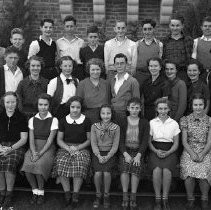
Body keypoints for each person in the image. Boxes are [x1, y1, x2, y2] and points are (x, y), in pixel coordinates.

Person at [52, 96, 91, 208]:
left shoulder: (86, 121)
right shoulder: (63, 120)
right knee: (61, 163)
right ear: (69, 107)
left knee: (79, 164)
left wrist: (77, 148)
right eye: (72, 107)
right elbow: (59, 139)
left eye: (77, 107)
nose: (75, 110)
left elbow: (89, 140)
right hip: (66, 147)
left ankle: (75, 195)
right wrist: (68, 148)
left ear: (81, 108)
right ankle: (67, 194)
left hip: (81, 147)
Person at [21, 93, 58, 205]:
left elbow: (50, 140)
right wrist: (33, 152)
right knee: (27, 164)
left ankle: (41, 191)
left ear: (49, 106)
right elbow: (31, 139)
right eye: (40, 104)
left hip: (47, 147)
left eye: (45, 105)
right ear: (37, 105)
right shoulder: (32, 119)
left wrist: (40, 154)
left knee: (39, 165)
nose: (43, 107)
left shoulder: (54, 120)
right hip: (34, 147)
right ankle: (34, 191)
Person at [180, 93, 211, 210]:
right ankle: (190, 199)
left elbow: (209, 141)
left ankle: (204, 198)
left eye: (200, 105)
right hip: (189, 150)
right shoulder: (185, 120)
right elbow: (184, 141)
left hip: (205, 150)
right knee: (189, 171)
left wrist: (202, 154)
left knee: (205, 170)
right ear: (191, 106)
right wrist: (192, 153)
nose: (198, 107)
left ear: (204, 105)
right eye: (195, 105)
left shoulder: (209, 120)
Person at [148, 97, 180, 210]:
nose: (162, 111)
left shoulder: (174, 123)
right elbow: (149, 142)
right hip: (155, 149)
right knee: (157, 170)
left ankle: (165, 199)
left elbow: (176, 144)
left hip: (169, 150)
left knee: (166, 171)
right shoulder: (152, 122)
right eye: (160, 108)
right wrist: (156, 151)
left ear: (169, 109)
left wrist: (168, 152)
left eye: (165, 108)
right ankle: (157, 199)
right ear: (156, 109)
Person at [119, 97, 149, 210]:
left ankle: (133, 196)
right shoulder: (122, 121)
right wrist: (125, 154)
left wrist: (139, 155)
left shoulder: (144, 122)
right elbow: (120, 140)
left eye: (137, 108)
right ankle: (125, 196)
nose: (134, 110)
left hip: (138, 151)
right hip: (125, 150)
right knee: (125, 167)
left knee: (136, 167)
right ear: (128, 108)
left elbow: (145, 141)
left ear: (140, 109)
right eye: (132, 108)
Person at [0, 92, 28, 209]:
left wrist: (10, 149)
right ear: (3, 103)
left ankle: (9, 194)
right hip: (1, 145)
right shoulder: (0, 116)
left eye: (13, 102)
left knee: (9, 162)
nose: (10, 105)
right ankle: (2, 192)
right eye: (8, 102)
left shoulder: (21, 117)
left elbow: (24, 139)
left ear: (17, 103)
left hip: (17, 146)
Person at [91, 104, 120, 209]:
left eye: (108, 113)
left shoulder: (116, 128)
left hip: (110, 154)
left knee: (107, 173)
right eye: (103, 113)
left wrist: (108, 156)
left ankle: (106, 195)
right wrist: (98, 155)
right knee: (98, 173)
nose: (106, 116)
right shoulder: (94, 126)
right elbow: (93, 143)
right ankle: (98, 195)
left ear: (112, 114)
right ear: (100, 114)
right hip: (97, 153)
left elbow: (115, 145)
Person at [76, 58, 110, 124]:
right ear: (88, 70)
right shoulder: (82, 84)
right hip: (88, 116)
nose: (95, 72)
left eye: (97, 69)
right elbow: (78, 102)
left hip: (104, 116)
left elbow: (109, 100)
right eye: (93, 70)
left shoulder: (106, 83)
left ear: (101, 70)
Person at [162, 15, 193, 85]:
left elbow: (191, 58)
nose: (175, 28)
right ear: (169, 26)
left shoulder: (189, 40)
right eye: (172, 25)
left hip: (183, 73)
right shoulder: (164, 41)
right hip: (168, 73)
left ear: (182, 26)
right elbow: (162, 57)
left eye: (177, 25)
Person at [110, 53, 140, 124]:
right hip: (112, 115)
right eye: (117, 63)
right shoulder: (112, 80)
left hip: (126, 115)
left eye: (122, 63)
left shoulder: (133, 81)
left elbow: (136, 101)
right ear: (114, 65)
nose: (119, 66)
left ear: (126, 64)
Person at [135, 19, 163, 90]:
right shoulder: (137, 44)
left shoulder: (159, 44)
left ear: (154, 29)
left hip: (154, 75)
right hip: (140, 75)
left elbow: (160, 59)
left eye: (149, 29)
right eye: (145, 29)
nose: (147, 32)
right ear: (142, 30)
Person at [56, 15, 84, 80]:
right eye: (67, 26)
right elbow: (58, 58)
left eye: (71, 26)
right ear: (64, 27)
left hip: (78, 70)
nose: (69, 29)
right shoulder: (59, 42)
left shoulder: (81, 42)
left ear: (75, 27)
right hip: (64, 70)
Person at [192, 16, 211, 82]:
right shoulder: (196, 41)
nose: (207, 28)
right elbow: (193, 59)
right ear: (201, 27)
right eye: (205, 26)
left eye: (210, 26)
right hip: (201, 74)